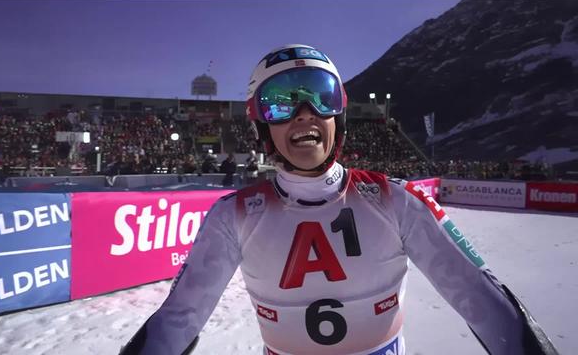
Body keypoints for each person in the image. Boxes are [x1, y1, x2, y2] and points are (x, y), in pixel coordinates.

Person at [121, 45, 558, 355]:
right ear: (259, 127)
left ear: (339, 117)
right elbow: (179, 319)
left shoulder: (396, 200)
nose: (305, 112)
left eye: (320, 95)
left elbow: (481, 299)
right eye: (280, 104)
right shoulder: (231, 216)